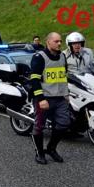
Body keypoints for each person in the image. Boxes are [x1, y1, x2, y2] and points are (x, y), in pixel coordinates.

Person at [29, 32, 71, 165]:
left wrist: (66, 94)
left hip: (60, 98)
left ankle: (51, 149)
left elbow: (63, 76)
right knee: (39, 127)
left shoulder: (62, 56)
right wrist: (41, 99)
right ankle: (40, 152)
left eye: (60, 41)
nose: (59, 43)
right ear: (48, 42)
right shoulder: (39, 57)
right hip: (44, 98)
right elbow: (34, 79)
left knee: (64, 124)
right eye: (56, 41)